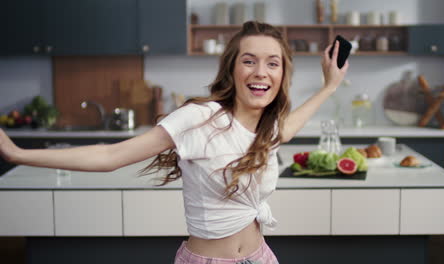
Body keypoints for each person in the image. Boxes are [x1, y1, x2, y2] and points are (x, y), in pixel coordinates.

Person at [0, 21, 348, 264]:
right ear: (232, 71)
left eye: (273, 63)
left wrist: (329, 86)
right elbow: (112, 155)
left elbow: (288, 128)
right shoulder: (201, 118)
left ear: (282, 75)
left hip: (260, 257)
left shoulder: (266, 129)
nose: (261, 71)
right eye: (249, 60)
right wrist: (17, 153)